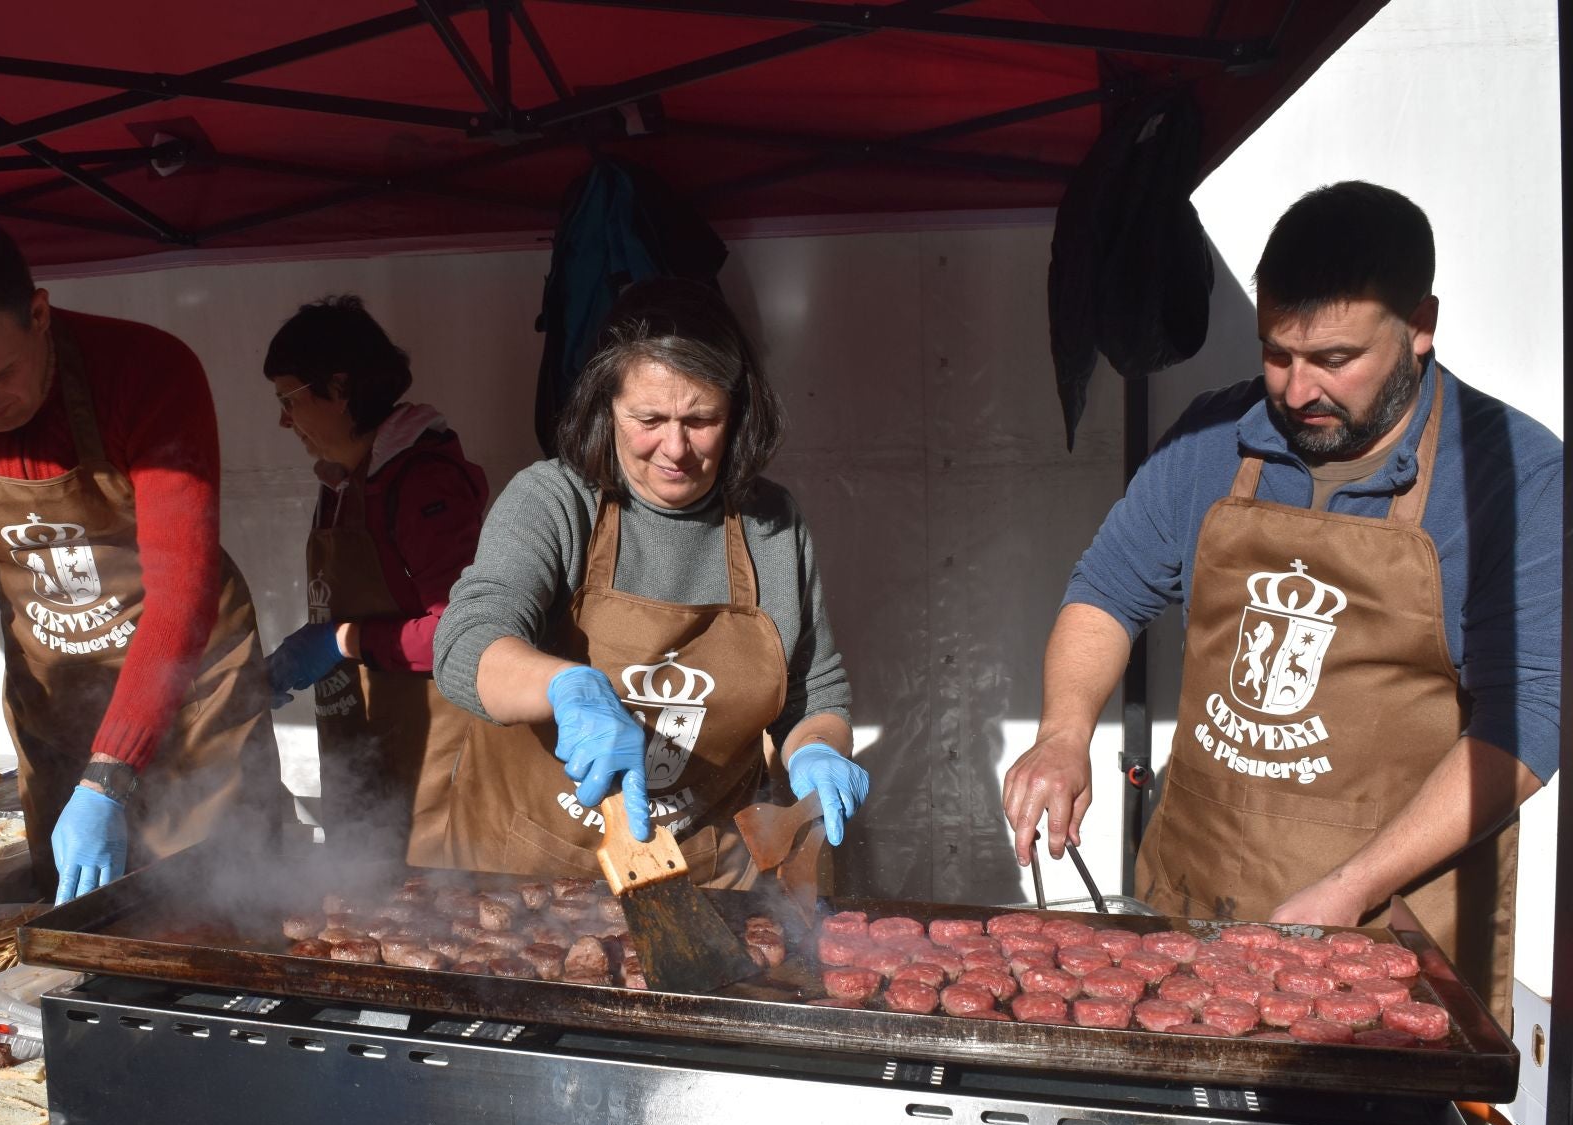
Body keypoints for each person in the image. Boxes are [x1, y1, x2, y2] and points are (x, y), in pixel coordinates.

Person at [1002, 182, 1561, 1025]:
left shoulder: (1511, 478)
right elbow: (1106, 592)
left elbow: (1527, 719)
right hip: (1195, 920)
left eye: (1335, 360)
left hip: (1388, 945)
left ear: (1420, 324)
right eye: (1276, 353)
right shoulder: (1210, 443)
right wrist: (1063, 731)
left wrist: (1355, 888)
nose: (1298, 391)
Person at [0, 214, 282, 907]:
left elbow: (182, 594)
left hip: (192, 690)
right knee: (82, 921)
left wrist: (109, 778)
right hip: (60, 692)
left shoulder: (146, 372)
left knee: (222, 908)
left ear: (38, 313)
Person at [432, 279, 868, 883]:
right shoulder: (554, 501)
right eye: (649, 418)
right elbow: (466, 643)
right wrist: (567, 688)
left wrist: (817, 748)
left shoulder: (773, 524)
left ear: (737, 412)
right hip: (525, 876)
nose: (675, 448)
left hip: (704, 877)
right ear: (606, 406)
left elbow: (813, 694)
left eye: (701, 419)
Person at [262, 296, 487, 861]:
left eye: (289, 399)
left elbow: (463, 632)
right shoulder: (343, 482)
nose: (283, 420)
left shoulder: (424, 482)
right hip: (360, 746)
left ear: (338, 388)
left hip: (430, 757)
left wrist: (340, 641)